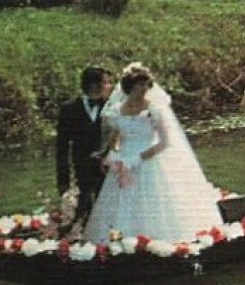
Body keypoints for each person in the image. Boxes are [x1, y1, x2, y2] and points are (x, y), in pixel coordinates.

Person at [85, 64, 222, 243]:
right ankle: (118, 240)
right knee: (121, 204)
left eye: (146, 85)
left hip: (149, 160)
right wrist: (113, 156)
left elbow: (165, 142)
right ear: (130, 87)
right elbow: (114, 137)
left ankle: (155, 242)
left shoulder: (153, 110)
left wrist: (137, 158)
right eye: (140, 85)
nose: (144, 89)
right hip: (124, 163)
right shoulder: (116, 111)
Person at [56, 65, 111, 226]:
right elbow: (62, 146)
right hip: (81, 167)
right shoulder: (69, 109)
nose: (110, 87)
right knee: (83, 209)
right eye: (106, 83)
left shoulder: (112, 107)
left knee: (106, 209)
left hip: (107, 167)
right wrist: (63, 180)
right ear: (94, 85)